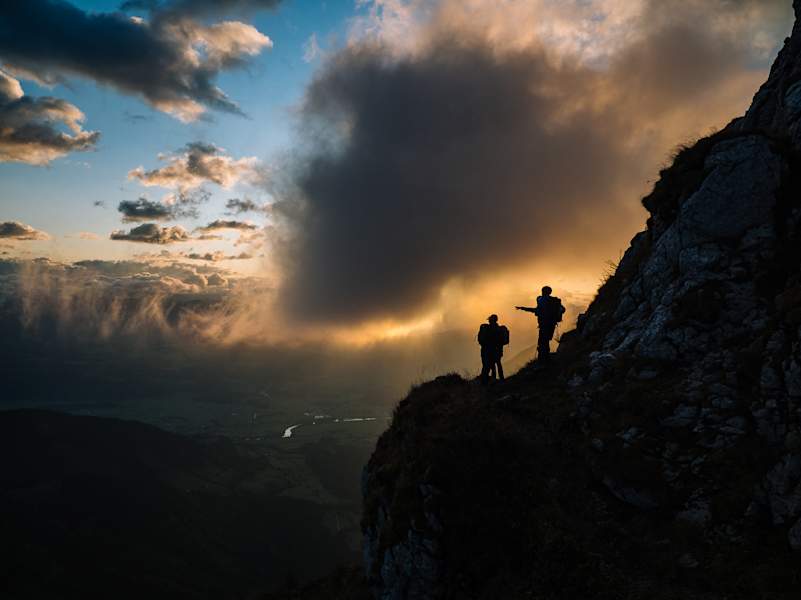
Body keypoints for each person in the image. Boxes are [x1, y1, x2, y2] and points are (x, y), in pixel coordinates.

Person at [516, 286, 565, 362]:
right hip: (551, 324)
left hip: (543, 325)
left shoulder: (540, 300)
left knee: (542, 342)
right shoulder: (555, 301)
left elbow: (536, 310)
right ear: (550, 292)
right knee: (546, 341)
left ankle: (543, 360)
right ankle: (546, 358)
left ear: (543, 291)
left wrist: (522, 308)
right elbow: (563, 309)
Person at [477, 314, 509, 385]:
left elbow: (481, 341)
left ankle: (490, 381)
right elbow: (503, 341)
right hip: (498, 351)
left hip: (487, 351)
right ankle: (501, 379)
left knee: (489, 366)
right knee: (498, 364)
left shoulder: (486, 329)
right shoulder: (500, 329)